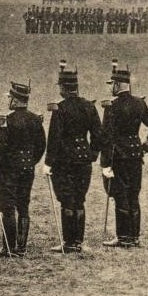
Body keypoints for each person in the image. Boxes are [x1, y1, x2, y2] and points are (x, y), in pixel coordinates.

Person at [100, 61, 148, 248]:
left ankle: (124, 238)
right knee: (133, 195)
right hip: (136, 156)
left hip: (118, 157)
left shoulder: (111, 106)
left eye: (112, 84)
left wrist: (105, 164)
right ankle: (134, 237)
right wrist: (147, 145)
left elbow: (106, 137)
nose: (111, 88)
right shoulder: (140, 103)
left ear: (118, 85)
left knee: (120, 196)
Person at [43, 62, 104, 253]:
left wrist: (48, 163)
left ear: (63, 88)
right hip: (84, 160)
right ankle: (78, 241)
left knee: (66, 199)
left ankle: (69, 243)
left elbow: (54, 139)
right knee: (79, 199)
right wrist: (92, 154)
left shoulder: (60, 109)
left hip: (64, 161)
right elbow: (98, 135)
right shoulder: (89, 107)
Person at [0, 81, 46, 257]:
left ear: (15, 100)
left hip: (8, 171)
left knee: (8, 208)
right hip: (27, 169)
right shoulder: (36, 119)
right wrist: (30, 161)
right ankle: (21, 247)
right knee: (24, 206)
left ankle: (9, 248)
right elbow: (41, 145)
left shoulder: (7, 121)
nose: (9, 100)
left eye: (10, 97)